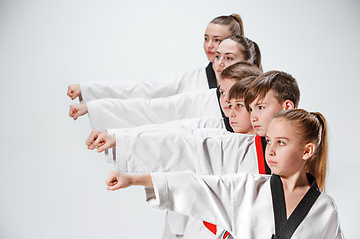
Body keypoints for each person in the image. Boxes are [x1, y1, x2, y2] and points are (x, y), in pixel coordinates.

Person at [89, 70, 299, 238]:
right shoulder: (237, 145)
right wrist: (122, 141)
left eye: (259, 107)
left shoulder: (304, 157)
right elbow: (184, 142)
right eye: (251, 109)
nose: (253, 116)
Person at [104, 109, 344, 239]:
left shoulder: (325, 209)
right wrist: (134, 179)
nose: (270, 150)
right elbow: (197, 186)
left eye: (281, 143)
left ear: (307, 150)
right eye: (268, 141)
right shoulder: (249, 187)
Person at [68, 36, 262, 131]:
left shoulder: (264, 99)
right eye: (218, 56)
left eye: (228, 58)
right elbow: (152, 106)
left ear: (247, 63)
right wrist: (93, 103)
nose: (219, 63)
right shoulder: (206, 99)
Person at [67, 14, 244, 102]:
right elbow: (143, 89)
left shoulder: (251, 81)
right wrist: (88, 89)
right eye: (206, 39)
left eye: (217, 40)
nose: (210, 46)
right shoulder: (189, 79)